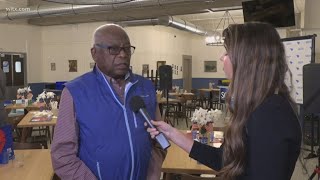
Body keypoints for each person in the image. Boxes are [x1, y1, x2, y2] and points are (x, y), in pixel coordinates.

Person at [147, 22, 301, 180]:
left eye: (227, 52)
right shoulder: (257, 107)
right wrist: (171, 133)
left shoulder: (270, 115)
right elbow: (224, 160)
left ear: (247, 60)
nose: (221, 57)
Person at [51, 24, 166, 180]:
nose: (123, 55)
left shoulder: (145, 88)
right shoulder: (75, 92)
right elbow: (62, 156)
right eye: (113, 49)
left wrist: (153, 172)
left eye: (127, 49)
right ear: (94, 53)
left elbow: (160, 140)